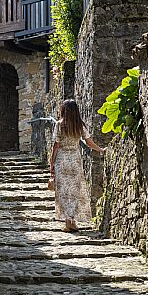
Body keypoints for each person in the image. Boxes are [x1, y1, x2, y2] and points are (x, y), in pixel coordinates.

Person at [50, 99, 106, 232]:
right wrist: (101, 150)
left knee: (63, 191)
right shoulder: (80, 125)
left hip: (61, 160)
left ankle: (68, 221)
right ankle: (71, 219)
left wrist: (52, 163)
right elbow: (89, 143)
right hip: (75, 159)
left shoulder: (59, 125)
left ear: (64, 110)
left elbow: (56, 145)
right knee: (74, 191)